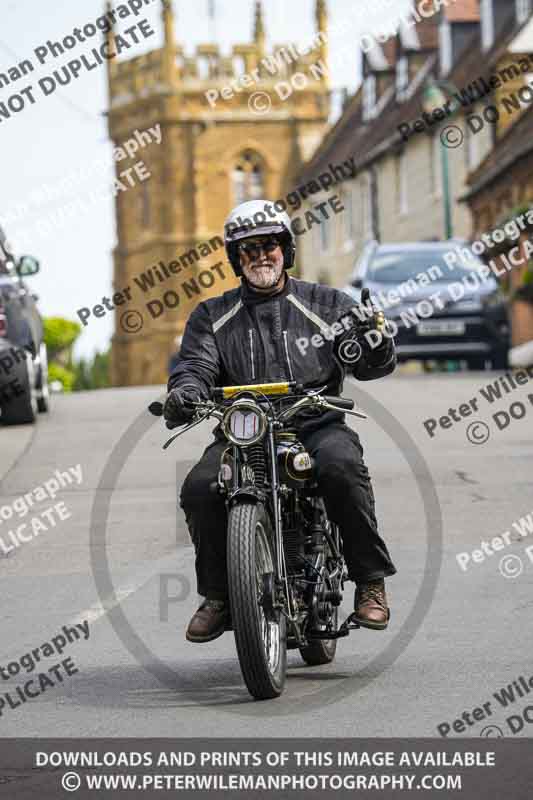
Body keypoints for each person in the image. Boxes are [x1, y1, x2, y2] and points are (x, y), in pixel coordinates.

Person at [164, 199, 397, 643]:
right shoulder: (212, 316)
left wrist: (375, 341)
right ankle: (217, 595)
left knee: (341, 467)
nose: (260, 256)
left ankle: (370, 582)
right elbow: (194, 366)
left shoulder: (327, 304)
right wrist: (186, 392)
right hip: (243, 429)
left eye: (269, 245)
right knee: (199, 488)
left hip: (316, 422)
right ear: (236, 259)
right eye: (248, 249)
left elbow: (369, 363)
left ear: (285, 250)